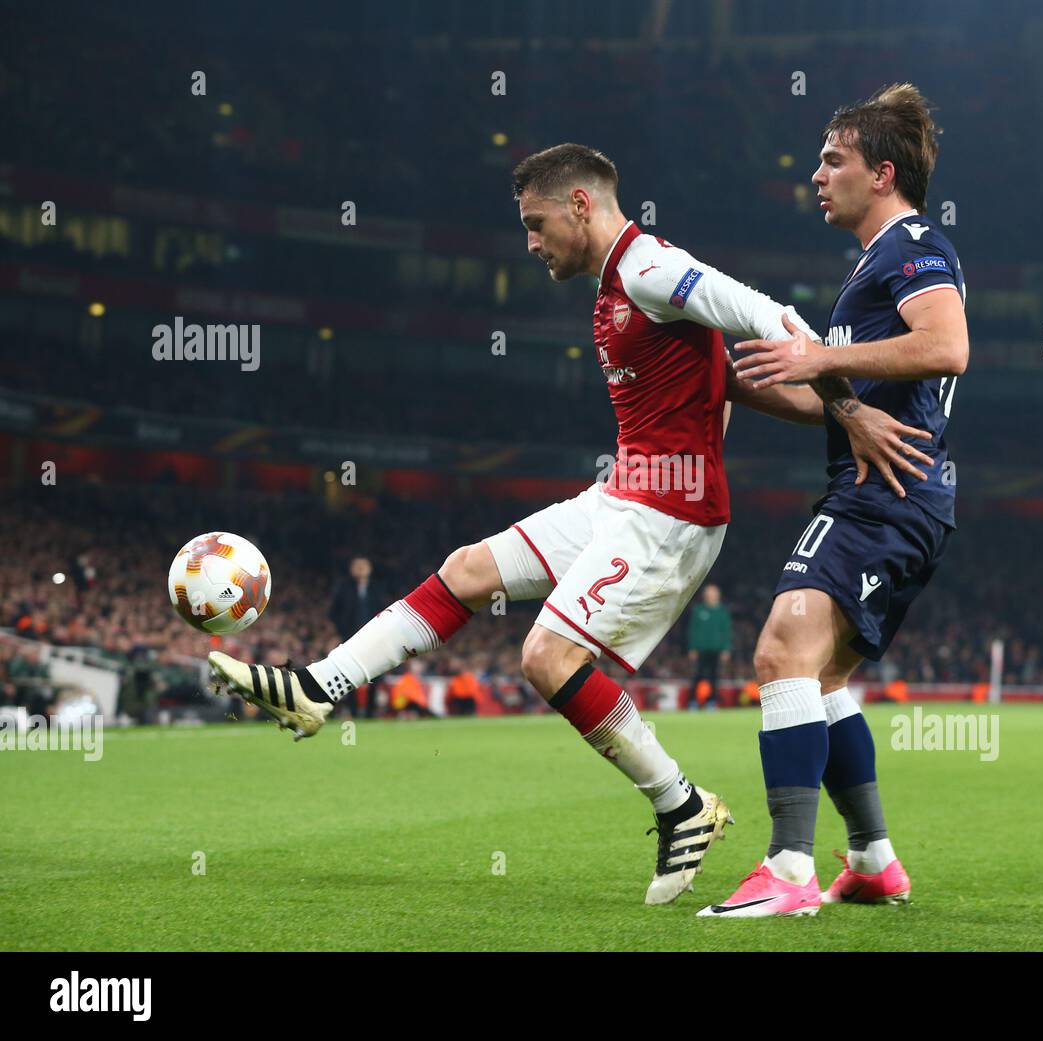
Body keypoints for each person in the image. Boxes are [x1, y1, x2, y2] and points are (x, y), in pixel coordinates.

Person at [208, 143, 895, 905]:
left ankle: (681, 803)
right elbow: (713, 378)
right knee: (469, 567)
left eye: (536, 225)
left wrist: (848, 405)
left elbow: (767, 315)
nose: (530, 244)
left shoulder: (649, 268)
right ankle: (315, 687)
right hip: (623, 495)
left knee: (544, 655)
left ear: (579, 205)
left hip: (671, 514)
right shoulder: (612, 284)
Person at [702, 85, 969, 918]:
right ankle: (874, 859)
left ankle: (787, 869)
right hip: (890, 491)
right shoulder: (869, 264)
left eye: (833, 160)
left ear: (882, 173)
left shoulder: (914, 242)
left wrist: (817, 356)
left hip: (884, 495)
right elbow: (835, 398)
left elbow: (947, 346)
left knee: (783, 647)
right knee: (818, 678)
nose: (817, 175)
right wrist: (745, 386)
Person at [327, 557, 388, 718]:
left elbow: (385, 610)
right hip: (350, 638)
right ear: (351, 569)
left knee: (376, 673)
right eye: (357, 566)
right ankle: (353, 710)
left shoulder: (376, 589)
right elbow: (333, 612)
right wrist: (343, 631)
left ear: (370, 569)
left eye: (364, 566)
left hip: (373, 637)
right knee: (350, 674)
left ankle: (370, 711)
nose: (361, 569)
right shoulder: (344, 588)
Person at [686, 584, 731, 709]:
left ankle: (711, 701)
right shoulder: (698, 610)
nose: (711, 595)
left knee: (714, 677)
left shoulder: (722, 612)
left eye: (714, 593)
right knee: (697, 676)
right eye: (709, 593)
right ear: (705, 595)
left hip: (716, 650)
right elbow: (693, 631)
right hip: (701, 650)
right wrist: (692, 648)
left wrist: (726, 649)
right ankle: (693, 701)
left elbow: (726, 631)